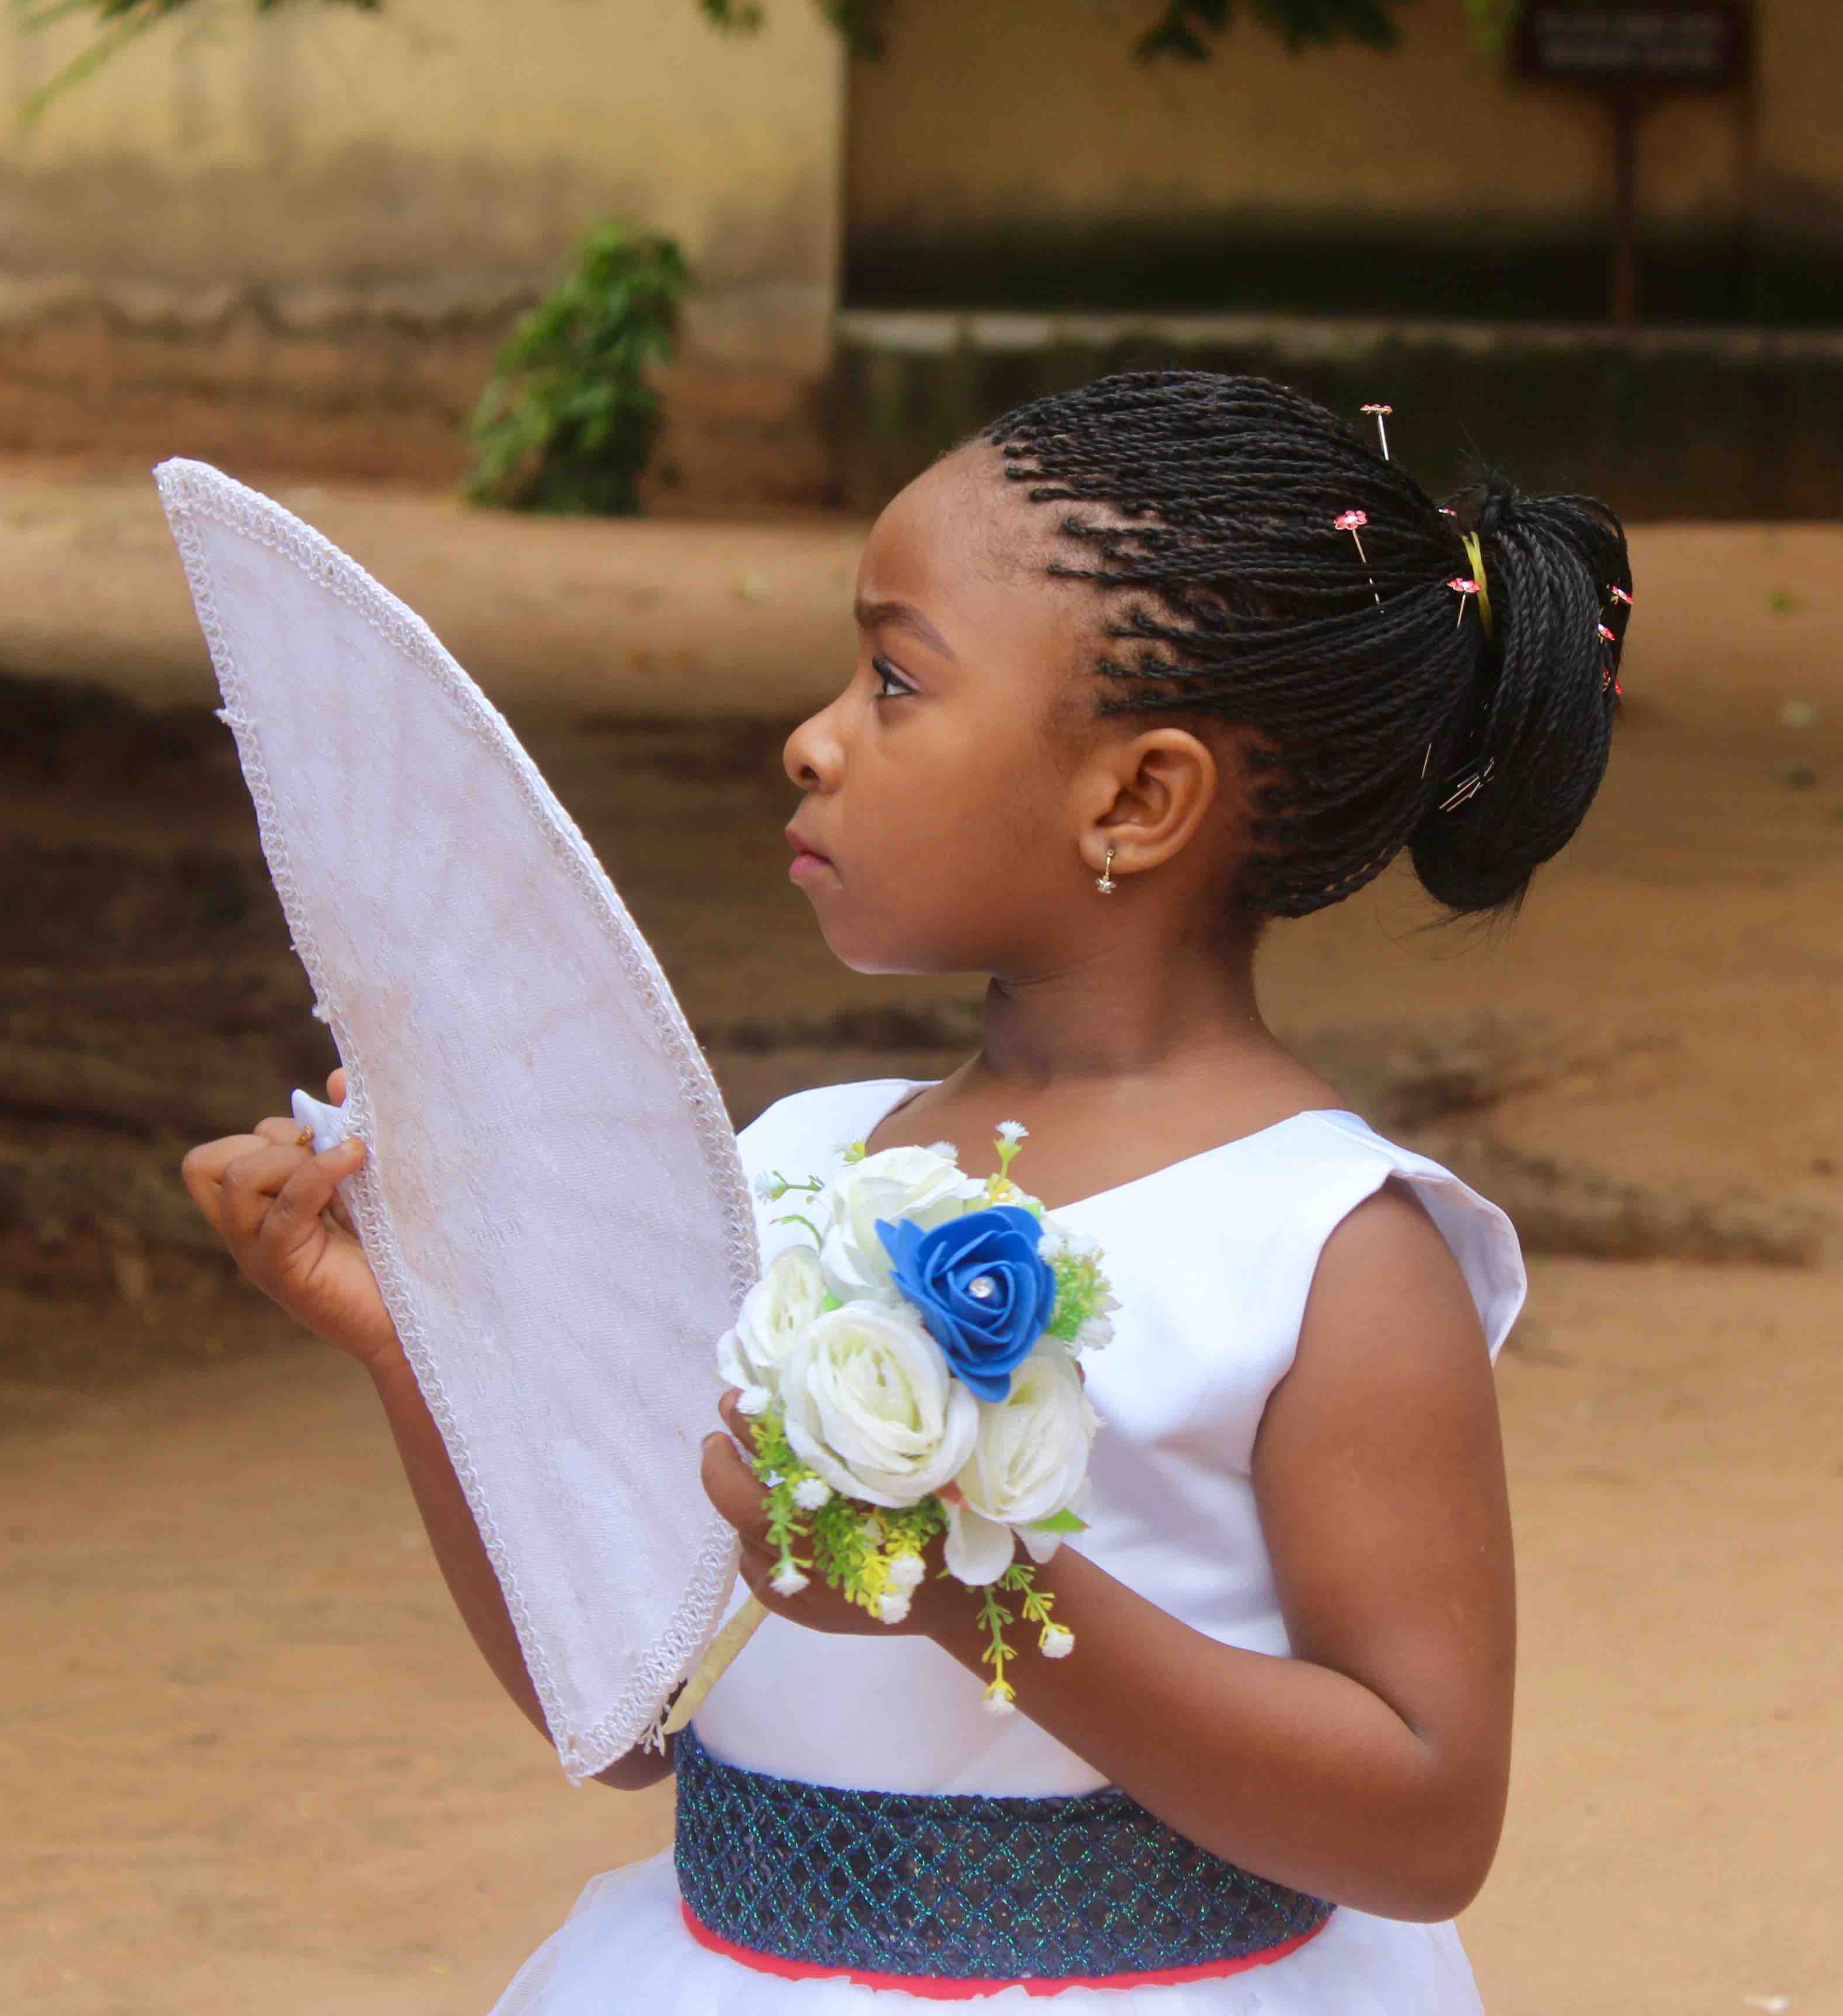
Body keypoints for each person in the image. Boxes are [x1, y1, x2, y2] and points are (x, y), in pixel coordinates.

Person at [181, 370, 1632, 2010]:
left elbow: (1427, 1820)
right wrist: (410, 1351)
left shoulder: (1324, 1250)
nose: (814, 736)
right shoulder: (789, 1164)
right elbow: (635, 1725)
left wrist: (980, 1594)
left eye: (892, 679)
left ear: (1138, 799)